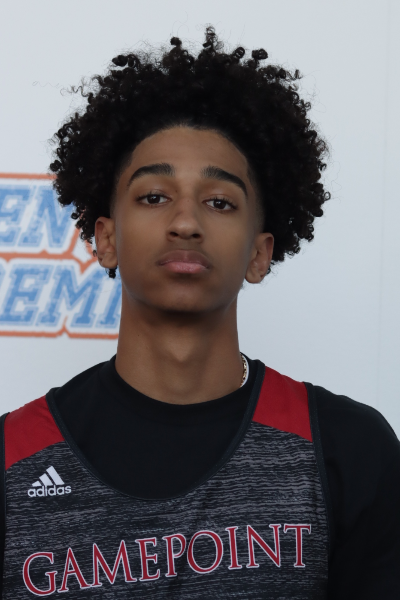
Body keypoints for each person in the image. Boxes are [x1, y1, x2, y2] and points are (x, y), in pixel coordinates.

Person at [1, 27, 399, 599]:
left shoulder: (348, 449)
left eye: (219, 202)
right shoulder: (14, 458)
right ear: (106, 239)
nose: (186, 222)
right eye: (154, 196)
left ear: (259, 253)